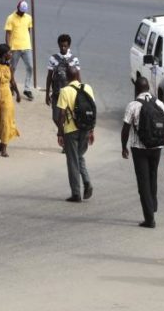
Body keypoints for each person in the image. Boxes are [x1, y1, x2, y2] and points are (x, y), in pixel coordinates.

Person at [121, 77, 164, 228]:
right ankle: (153, 205)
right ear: (148, 88)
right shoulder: (159, 104)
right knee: (152, 176)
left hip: (139, 148)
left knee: (143, 183)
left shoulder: (133, 105)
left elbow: (125, 129)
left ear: (136, 89)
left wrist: (123, 147)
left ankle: (149, 219)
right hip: (157, 147)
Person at [55, 66, 95, 202]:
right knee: (79, 156)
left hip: (71, 130)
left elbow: (60, 114)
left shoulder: (65, 91)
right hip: (86, 128)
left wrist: (60, 133)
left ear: (67, 77)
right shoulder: (88, 88)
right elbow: (92, 110)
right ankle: (87, 182)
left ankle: (76, 193)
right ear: (77, 76)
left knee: (72, 160)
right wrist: (92, 130)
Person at [45, 34, 81, 127]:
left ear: (69, 46)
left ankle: (65, 136)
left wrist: (80, 93)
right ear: (58, 45)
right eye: (61, 46)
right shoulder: (53, 58)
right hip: (57, 94)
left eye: (65, 46)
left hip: (70, 94)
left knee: (68, 117)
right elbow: (49, 77)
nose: (63, 48)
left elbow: (78, 77)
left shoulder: (74, 59)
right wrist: (47, 94)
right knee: (55, 118)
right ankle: (63, 133)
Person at [5, 0, 34, 101]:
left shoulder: (29, 17)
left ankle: (27, 88)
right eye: (21, 11)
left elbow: (28, 31)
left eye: (24, 11)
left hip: (26, 47)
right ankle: (11, 85)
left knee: (30, 67)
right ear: (18, 8)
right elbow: (8, 33)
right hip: (14, 48)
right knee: (12, 69)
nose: (22, 13)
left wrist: (27, 42)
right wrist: (8, 48)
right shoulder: (10, 18)